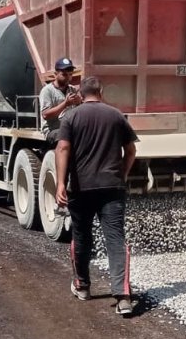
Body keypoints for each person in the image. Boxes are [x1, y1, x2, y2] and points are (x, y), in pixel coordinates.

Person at [55, 76, 139, 316]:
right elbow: (131, 151)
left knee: (82, 238)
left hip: (80, 189)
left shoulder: (71, 117)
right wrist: (122, 175)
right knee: (115, 240)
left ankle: (82, 286)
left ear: (81, 94)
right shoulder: (116, 116)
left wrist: (60, 183)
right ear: (101, 92)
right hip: (112, 188)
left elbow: (62, 148)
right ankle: (123, 298)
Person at [39, 57, 81, 143]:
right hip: (53, 130)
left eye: (70, 74)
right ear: (56, 74)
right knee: (67, 135)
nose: (68, 78)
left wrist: (79, 103)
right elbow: (45, 115)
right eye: (64, 75)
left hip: (69, 128)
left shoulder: (72, 89)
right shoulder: (47, 90)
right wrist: (65, 104)